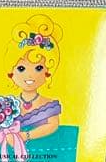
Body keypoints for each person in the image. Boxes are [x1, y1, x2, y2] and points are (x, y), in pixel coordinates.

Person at [4, 13, 64, 145]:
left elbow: (53, 125)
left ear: (48, 72)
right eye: (21, 68)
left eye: (38, 68)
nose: (30, 76)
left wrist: (25, 136)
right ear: (11, 72)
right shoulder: (6, 105)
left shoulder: (49, 104)